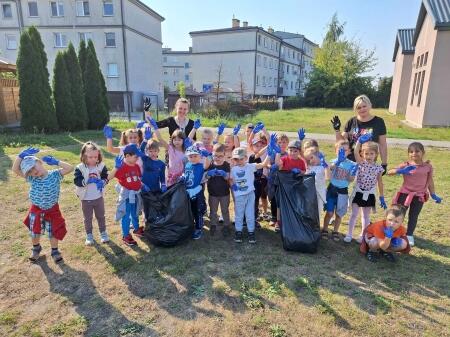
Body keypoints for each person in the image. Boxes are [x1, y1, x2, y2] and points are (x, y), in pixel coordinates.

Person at [12, 147, 73, 263]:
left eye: (33, 167)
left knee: (53, 231)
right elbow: (15, 169)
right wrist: (20, 156)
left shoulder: (55, 174)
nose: (33, 171)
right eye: (29, 171)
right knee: (35, 232)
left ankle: (55, 251)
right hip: (36, 209)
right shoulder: (32, 179)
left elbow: (70, 168)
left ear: (39, 162)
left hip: (52, 209)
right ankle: (36, 249)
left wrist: (56, 162)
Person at [387, 142, 442, 246]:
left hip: (419, 196)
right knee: (398, 214)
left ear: (423, 152)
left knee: (414, 215)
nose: (414, 153)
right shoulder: (406, 165)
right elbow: (390, 172)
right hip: (404, 194)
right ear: (408, 154)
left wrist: (433, 194)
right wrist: (400, 170)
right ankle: (393, 232)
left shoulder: (428, 167)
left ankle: (409, 235)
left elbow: (430, 181)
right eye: (411, 152)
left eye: (417, 151)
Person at [345, 134, 386, 243]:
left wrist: (381, 196)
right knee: (354, 214)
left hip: (369, 194)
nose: (368, 156)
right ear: (362, 154)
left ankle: (363, 235)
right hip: (358, 192)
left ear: (376, 154)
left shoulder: (378, 168)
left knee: (366, 216)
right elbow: (355, 151)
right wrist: (358, 141)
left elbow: (380, 183)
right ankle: (349, 234)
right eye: (366, 153)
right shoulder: (360, 163)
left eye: (371, 154)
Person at [332, 95, 388, 175]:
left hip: (368, 162)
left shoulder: (379, 122)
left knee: (365, 186)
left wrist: (384, 163)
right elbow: (341, 142)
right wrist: (337, 130)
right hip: (350, 161)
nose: (362, 109)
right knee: (344, 185)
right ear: (355, 109)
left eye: (364, 106)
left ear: (369, 105)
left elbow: (382, 144)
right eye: (359, 107)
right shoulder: (351, 121)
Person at [108, 144, 145, 246]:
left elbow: (137, 178)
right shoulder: (122, 167)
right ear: (127, 156)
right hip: (127, 195)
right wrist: (116, 168)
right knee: (126, 215)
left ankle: (136, 229)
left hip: (136, 194)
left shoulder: (136, 166)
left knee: (135, 212)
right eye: (135, 156)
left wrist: (143, 185)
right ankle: (126, 235)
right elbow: (109, 177)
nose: (137, 158)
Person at [231, 147, 270, 244]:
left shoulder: (250, 166)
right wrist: (236, 190)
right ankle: (238, 232)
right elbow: (231, 180)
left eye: (241, 158)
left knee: (250, 214)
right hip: (239, 196)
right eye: (236, 159)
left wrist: (269, 153)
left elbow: (263, 164)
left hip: (250, 195)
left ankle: (251, 232)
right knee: (239, 214)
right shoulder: (233, 169)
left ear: (245, 158)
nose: (239, 161)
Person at [74, 142, 110, 246]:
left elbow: (106, 177)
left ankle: (103, 233)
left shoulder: (102, 166)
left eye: (95, 156)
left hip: (98, 198)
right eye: (90, 157)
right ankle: (89, 235)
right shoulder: (80, 168)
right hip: (86, 199)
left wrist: (103, 182)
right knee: (88, 218)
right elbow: (77, 181)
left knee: (101, 216)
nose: (93, 159)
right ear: (84, 156)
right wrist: (86, 181)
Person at [321, 140, 357, 241]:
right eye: (340, 150)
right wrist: (338, 162)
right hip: (331, 190)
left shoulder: (352, 164)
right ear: (335, 150)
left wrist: (353, 173)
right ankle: (324, 229)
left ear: (349, 151)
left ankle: (335, 231)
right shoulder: (333, 161)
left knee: (339, 214)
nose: (342, 152)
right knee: (329, 212)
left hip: (343, 192)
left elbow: (350, 180)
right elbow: (329, 170)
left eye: (345, 150)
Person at [274, 139, 307, 232]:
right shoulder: (285, 159)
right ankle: (278, 221)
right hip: (283, 187)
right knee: (280, 205)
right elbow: (278, 164)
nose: (292, 153)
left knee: (293, 204)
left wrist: (299, 171)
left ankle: (292, 221)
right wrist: (278, 153)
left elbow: (304, 171)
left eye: (295, 151)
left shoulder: (301, 161)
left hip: (295, 187)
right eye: (291, 150)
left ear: (299, 152)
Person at [181, 144, 211, 240]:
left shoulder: (200, 165)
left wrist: (207, 156)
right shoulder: (188, 164)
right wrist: (182, 177)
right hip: (188, 191)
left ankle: (198, 228)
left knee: (198, 210)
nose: (193, 158)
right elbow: (186, 174)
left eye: (195, 156)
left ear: (199, 156)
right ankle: (191, 225)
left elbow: (207, 165)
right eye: (191, 156)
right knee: (189, 209)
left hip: (197, 192)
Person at [148, 117, 186, 186]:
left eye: (179, 140)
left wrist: (194, 128)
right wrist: (156, 128)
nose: (177, 142)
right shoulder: (170, 148)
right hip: (170, 178)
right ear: (172, 140)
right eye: (175, 140)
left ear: (183, 140)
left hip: (181, 178)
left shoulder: (186, 151)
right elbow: (160, 139)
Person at [206, 143, 231, 236]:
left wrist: (224, 174)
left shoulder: (226, 165)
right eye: (215, 155)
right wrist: (209, 174)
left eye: (220, 156)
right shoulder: (211, 165)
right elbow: (206, 177)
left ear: (224, 155)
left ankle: (226, 225)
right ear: (212, 154)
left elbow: (227, 177)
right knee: (213, 210)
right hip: (213, 193)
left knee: (225, 210)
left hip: (224, 193)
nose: (218, 158)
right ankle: (213, 225)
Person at [304, 147, 330, 217]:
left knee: (318, 210)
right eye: (309, 159)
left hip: (319, 193)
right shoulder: (309, 167)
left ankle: (315, 225)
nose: (311, 161)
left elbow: (328, 178)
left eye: (312, 158)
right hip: (309, 193)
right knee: (309, 210)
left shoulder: (323, 167)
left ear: (318, 155)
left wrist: (326, 167)